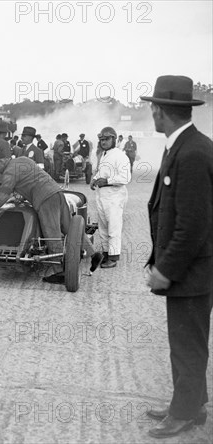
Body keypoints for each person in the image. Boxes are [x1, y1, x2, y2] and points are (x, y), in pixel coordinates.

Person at [140, 75, 213, 439]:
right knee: (184, 342)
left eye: (153, 106)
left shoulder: (194, 152)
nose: (150, 111)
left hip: (191, 272)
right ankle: (190, 404)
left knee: (188, 345)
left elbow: (193, 225)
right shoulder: (180, 146)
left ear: (161, 111)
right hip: (189, 270)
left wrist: (166, 270)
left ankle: (184, 412)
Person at [0, 154, 103, 283]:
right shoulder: (22, 160)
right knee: (69, 228)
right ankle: (93, 254)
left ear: (1, 160)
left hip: (45, 199)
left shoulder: (9, 172)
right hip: (57, 193)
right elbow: (32, 180)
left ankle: (59, 271)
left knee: (52, 234)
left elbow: (1, 197)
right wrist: (24, 195)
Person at [89, 126, 131, 268]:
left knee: (113, 227)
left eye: (106, 139)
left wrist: (107, 181)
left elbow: (125, 177)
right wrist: (94, 179)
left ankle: (113, 257)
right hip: (102, 196)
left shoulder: (120, 156)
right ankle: (106, 253)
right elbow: (101, 172)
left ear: (114, 138)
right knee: (103, 227)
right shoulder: (104, 155)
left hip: (114, 196)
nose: (103, 142)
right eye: (101, 140)